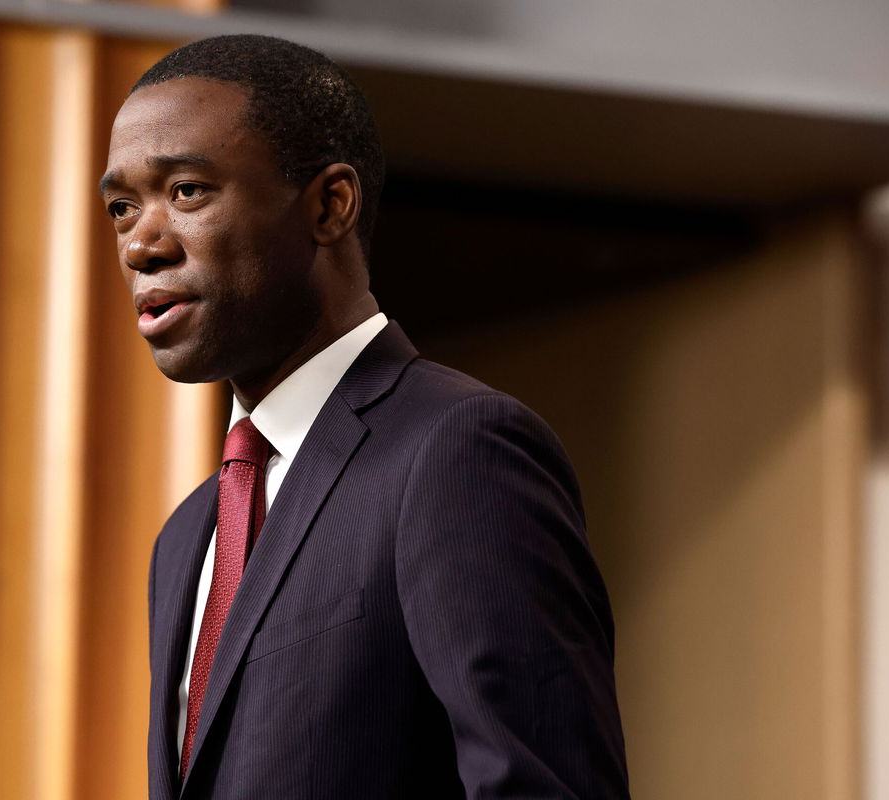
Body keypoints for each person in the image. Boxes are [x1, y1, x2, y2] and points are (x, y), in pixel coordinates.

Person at [99, 34, 629, 800]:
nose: (141, 244)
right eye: (121, 208)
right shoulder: (188, 538)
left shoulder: (458, 449)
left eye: (186, 191)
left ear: (329, 205)